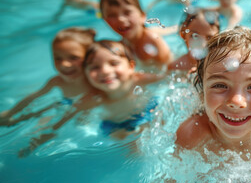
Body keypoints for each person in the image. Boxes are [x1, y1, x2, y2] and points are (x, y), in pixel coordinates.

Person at [17, 40, 165, 157]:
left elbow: (170, 78)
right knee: (133, 150)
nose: (105, 71)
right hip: (116, 126)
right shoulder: (94, 98)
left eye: (113, 63)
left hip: (148, 111)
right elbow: (66, 117)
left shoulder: (140, 79)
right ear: (86, 74)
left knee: (161, 124)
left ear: (131, 66)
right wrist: (40, 139)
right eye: (95, 67)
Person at [0, 27, 96, 127]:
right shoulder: (57, 81)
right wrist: (10, 113)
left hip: (83, 112)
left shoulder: (94, 82)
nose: (64, 64)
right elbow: (34, 96)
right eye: (58, 58)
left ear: (90, 58)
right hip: (64, 104)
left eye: (73, 58)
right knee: (32, 116)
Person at [100, 0, 172, 71]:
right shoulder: (121, 47)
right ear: (105, 21)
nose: (120, 19)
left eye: (127, 12)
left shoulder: (153, 40)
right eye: (112, 15)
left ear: (142, 16)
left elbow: (169, 70)